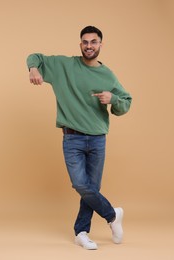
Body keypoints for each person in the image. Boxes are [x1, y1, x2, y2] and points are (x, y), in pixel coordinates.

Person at [26, 26, 132, 250]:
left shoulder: (107, 75)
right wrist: (33, 69)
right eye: (85, 42)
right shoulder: (64, 66)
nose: (89, 46)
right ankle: (113, 215)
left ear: (101, 45)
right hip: (72, 138)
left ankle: (81, 232)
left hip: (97, 140)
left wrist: (112, 98)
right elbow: (35, 56)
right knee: (81, 184)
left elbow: (125, 103)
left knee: (91, 187)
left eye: (94, 42)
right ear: (80, 44)